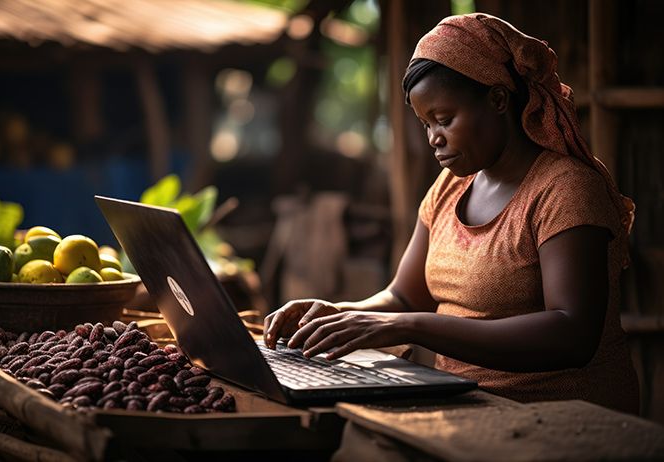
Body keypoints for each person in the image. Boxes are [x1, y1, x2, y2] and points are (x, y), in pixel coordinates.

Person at [263, 13, 640, 414]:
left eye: (444, 120)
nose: (434, 139)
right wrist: (335, 314)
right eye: (425, 124)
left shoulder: (565, 190)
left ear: (497, 100)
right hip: (468, 406)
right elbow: (405, 297)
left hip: (560, 419)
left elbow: (572, 333)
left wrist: (410, 327)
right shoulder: (449, 188)